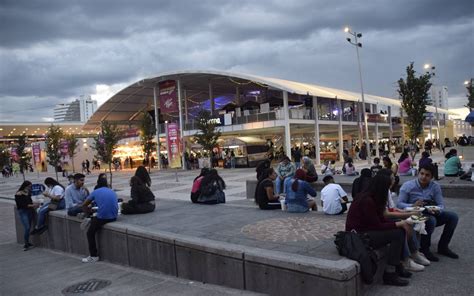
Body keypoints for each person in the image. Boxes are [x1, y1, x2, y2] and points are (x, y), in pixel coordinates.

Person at [346, 174, 414, 286]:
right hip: (358, 236)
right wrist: (399, 223)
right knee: (397, 233)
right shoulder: (367, 200)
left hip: (367, 230)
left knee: (399, 229)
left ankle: (397, 266)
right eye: (389, 187)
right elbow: (377, 225)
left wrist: (399, 223)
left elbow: (381, 219)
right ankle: (389, 274)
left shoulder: (374, 197)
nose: (389, 190)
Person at [397, 164, 459, 261]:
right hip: (413, 214)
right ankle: (425, 249)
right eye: (422, 173)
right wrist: (413, 205)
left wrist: (437, 209)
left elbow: (441, 205)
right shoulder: (408, 186)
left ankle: (443, 247)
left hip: (431, 212)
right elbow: (399, 204)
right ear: (418, 173)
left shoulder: (435, 187)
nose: (423, 177)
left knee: (453, 217)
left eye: (427, 175)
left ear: (432, 177)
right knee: (431, 221)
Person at [81, 177, 118, 263]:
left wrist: (87, 213)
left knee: (90, 233)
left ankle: (94, 256)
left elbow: (84, 204)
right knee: (95, 219)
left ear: (98, 184)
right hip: (114, 216)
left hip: (103, 217)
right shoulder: (111, 191)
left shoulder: (95, 192)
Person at [15, 181, 38, 251]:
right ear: (25, 186)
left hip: (30, 211)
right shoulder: (19, 194)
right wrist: (33, 205)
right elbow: (21, 205)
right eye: (29, 187)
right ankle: (26, 243)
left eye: (30, 187)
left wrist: (35, 203)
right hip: (23, 211)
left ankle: (28, 242)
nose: (30, 188)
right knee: (27, 227)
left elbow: (30, 201)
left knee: (29, 226)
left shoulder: (28, 193)